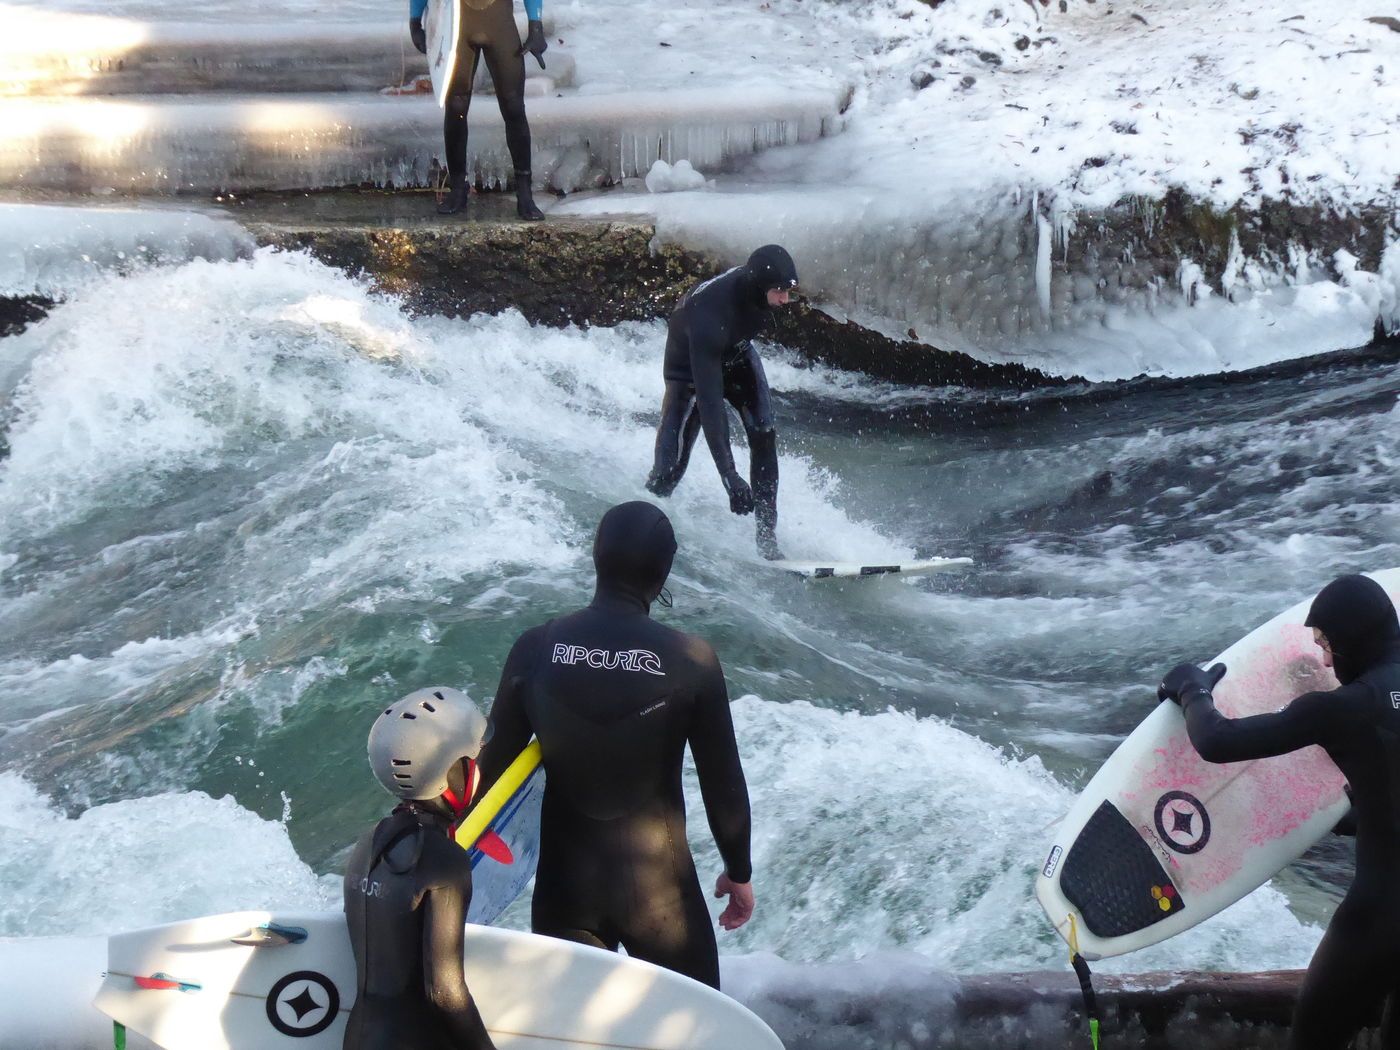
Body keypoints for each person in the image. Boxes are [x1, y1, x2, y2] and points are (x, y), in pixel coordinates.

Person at [475, 501, 754, 989]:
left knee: (571, 1038)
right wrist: (739, 871)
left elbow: (489, 771)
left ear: (596, 555)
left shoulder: (536, 647)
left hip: (565, 894)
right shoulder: (691, 660)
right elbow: (723, 784)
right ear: (663, 571)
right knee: (694, 1035)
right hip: (662, 899)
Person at [1158, 574, 1400, 1050]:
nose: (1326, 661)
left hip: (1383, 915)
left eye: (1327, 645)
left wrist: (1192, 688)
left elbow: (1218, 741)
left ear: (1353, 640)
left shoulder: (1345, 707)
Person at [344, 687, 497, 1050]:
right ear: (457, 770)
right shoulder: (443, 861)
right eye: (474, 757)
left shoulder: (370, 841)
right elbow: (445, 993)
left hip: (358, 1036)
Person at [645, 245, 799, 561]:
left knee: (764, 432)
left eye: (788, 291)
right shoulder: (710, 314)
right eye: (780, 292)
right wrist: (730, 477)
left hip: (736, 354)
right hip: (689, 371)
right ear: (761, 287)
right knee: (669, 472)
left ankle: (768, 543)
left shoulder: (759, 292)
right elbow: (711, 406)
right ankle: (645, 530)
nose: (786, 300)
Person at [408, 0, 546, 219]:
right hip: (457, 28)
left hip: (498, 24)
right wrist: (415, 20)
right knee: (456, 107)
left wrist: (536, 24)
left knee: (513, 107)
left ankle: (525, 194)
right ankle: (457, 189)